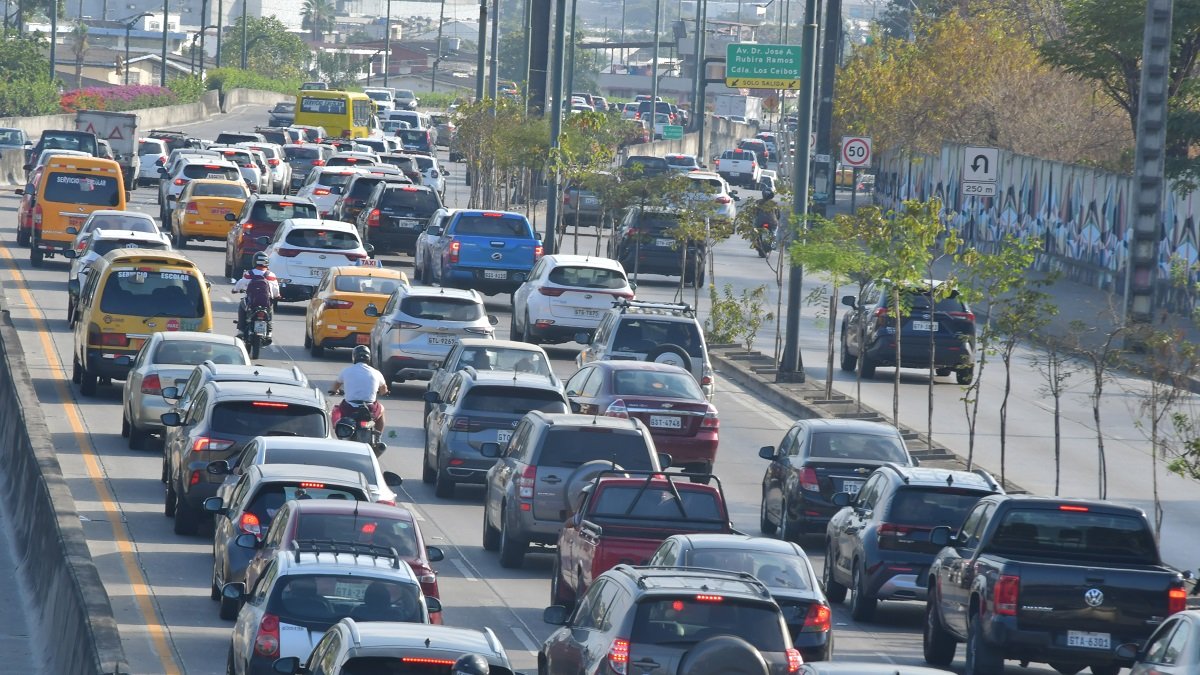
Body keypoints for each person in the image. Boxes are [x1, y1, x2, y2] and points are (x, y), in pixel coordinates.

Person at [329, 345, 389, 435]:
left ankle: (339, 430)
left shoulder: (346, 370)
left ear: (354, 357)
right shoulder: (376, 373)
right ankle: (378, 436)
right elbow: (383, 390)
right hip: (370, 409)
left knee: (336, 409)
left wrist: (335, 391)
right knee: (382, 409)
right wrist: (384, 392)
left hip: (349, 408)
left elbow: (335, 386)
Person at [232, 252, 280, 333]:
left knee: (242, 305)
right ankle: (269, 328)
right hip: (266, 303)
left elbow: (241, 283)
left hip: (251, 303)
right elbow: (275, 289)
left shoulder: (249, 273)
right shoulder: (271, 275)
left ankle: (241, 329)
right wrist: (277, 295)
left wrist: (235, 290)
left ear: (254, 261)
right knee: (271, 309)